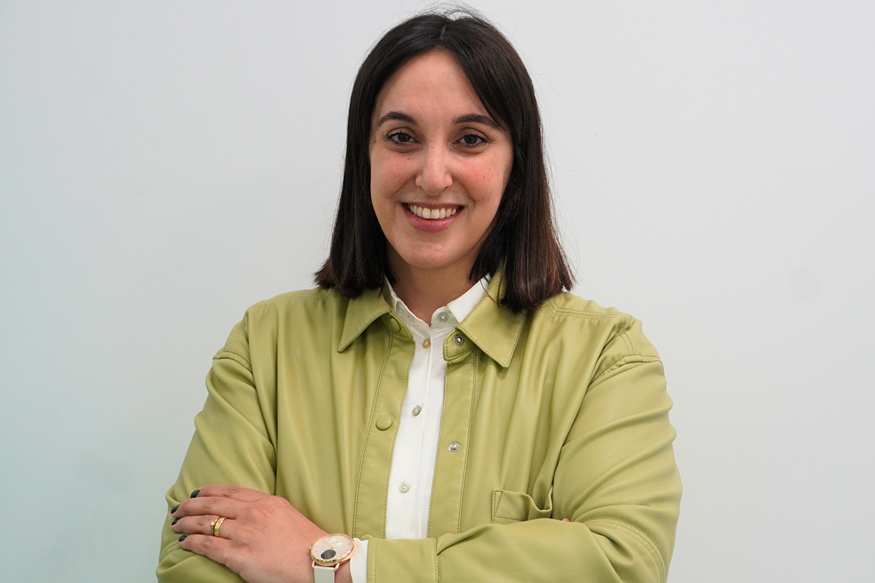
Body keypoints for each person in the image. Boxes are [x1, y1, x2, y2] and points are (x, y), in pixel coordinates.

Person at [158, 9, 681, 583]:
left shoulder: (605, 359)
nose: (433, 176)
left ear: (516, 166)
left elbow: (621, 564)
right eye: (402, 137)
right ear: (367, 155)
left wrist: (337, 566)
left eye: (471, 139)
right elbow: (193, 561)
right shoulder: (267, 345)